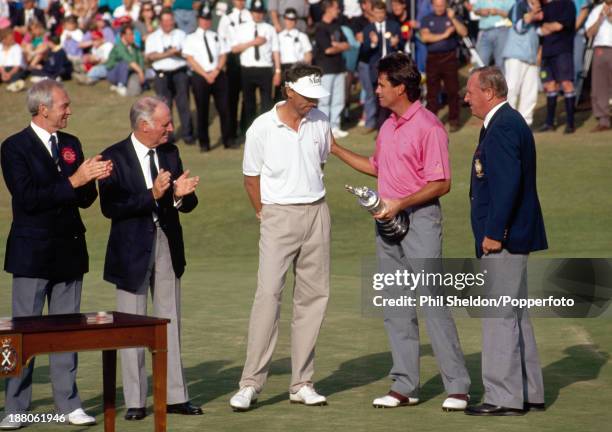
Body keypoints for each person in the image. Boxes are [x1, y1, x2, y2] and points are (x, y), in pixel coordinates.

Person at [330, 52, 470, 411]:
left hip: (420, 221)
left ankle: (458, 386)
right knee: (395, 306)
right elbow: (377, 167)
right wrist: (335, 149)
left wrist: (400, 203)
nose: (375, 89)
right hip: (387, 223)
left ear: (401, 88)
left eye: (381, 84)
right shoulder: (388, 126)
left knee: (432, 304)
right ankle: (405, 385)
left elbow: (441, 183)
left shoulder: (429, 127)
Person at [0, 80, 112, 430]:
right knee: (20, 336)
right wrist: (75, 181)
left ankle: (70, 403)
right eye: (64, 105)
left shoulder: (71, 143)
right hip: (32, 253)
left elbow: (82, 198)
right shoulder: (14, 147)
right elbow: (28, 198)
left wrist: (94, 178)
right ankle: (14, 406)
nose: (70, 110)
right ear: (43, 108)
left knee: (67, 333)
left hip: (68, 251)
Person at [229, 63, 332, 412]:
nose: (312, 102)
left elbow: (320, 162)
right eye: (307, 96)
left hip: (317, 213)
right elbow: (250, 178)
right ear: (289, 90)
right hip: (277, 215)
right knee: (268, 296)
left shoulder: (320, 120)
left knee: (313, 298)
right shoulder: (262, 127)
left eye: (316, 96)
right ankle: (250, 383)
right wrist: (265, 214)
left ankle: (302, 382)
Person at [98, 96, 201, 421]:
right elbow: (110, 208)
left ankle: (175, 396)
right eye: (165, 123)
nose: (171, 128)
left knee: (170, 321)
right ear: (144, 125)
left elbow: (187, 202)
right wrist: (152, 195)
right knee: (131, 327)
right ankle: (136, 401)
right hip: (130, 252)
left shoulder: (170, 152)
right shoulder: (114, 157)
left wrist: (183, 196)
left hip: (168, 245)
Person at [463, 66, 547, 416]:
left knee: (499, 316)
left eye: (470, 92)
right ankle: (529, 392)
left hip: (505, 238)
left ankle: (503, 397)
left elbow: (507, 185)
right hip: (516, 235)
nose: (465, 98)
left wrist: (495, 233)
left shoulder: (502, 127)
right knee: (515, 314)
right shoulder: (507, 122)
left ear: (489, 92)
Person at [183, 2, 236, 151]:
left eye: (208, 19)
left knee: (225, 109)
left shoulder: (216, 36)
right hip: (200, 76)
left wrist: (216, 70)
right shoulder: (191, 38)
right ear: (199, 19)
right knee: (202, 111)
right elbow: (190, 59)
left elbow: (223, 54)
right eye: (203, 19)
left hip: (217, 75)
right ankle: (204, 143)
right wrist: (205, 75)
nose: (206, 22)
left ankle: (228, 140)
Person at [145, 8, 194, 144]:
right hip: (161, 74)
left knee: (183, 104)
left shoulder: (181, 34)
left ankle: (188, 135)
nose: (168, 23)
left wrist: (175, 53)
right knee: (164, 108)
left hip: (180, 72)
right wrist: (169, 53)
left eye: (170, 20)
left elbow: (186, 53)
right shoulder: (153, 37)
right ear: (160, 22)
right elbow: (150, 56)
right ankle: (168, 137)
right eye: (165, 20)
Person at [232, 0, 281, 130]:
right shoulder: (242, 28)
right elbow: (234, 49)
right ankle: (248, 130)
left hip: (265, 69)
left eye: (260, 12)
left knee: (266, 103)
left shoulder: (269, 29)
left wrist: (277, 71)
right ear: (251, 12)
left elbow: (276, 51)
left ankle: (266, 131)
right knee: (248, 103)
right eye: (255, 12)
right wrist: (254, 42)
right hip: (247, 69)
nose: (258, 15)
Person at [420, 0, 468, 132]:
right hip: (433, 58)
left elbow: (463, 32)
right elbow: (425, 37)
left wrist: (453, 18)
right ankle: (430, 122)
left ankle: (454, 120)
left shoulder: (453, 17)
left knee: (453, 91)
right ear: (432, 5)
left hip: (450, 57)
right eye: (437, 5)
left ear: (446, 5)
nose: (439, 8)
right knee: (432, 93)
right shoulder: (426, 19)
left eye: (442, 5)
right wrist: (445, 34)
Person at [360, 0, 403, 129]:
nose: (379, 15)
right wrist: (373, 43)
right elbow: (364, 51)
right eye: (377, 12)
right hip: (376, 68)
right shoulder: (368, 29)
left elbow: (402, 45)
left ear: (385, 13)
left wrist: (396, 43)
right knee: (378, 97)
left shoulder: (394, 26)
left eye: (381, 12)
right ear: (373, 12)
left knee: (394, 96)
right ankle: (381, 127)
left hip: (392, 67)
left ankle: (394, 124)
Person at [537, 0, 576, 134]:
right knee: (549, 86)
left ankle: (570, 124)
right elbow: (540, 30)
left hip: (562, 51)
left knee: (566, 84)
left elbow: (559, 26)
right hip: (547, 52)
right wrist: (547, 27)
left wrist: (547, 26)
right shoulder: (543, 6)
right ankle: (549, 122)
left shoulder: (567, 4)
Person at [501, 0, 542, 126]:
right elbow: (519, 27)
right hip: (515, 55)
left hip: (532, 57)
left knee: (530, 92)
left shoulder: (542, 7)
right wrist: (534, 14)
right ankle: (506, 122)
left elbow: (540, 32)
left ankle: (525, 125)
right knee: (512, 90)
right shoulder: (519, 5)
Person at [314, 0, 350, 138]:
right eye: (336, 8)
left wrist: (338, 45)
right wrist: (339, 46)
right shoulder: (320, 28)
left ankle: (335, 126)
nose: (338, 10)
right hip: (326, 70)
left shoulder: (337, 26)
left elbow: (348, 44)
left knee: (338, 100)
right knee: (324, 101)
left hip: (339, 68)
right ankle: (324, 128)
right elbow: (328, 50)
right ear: (328, 9)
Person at [218, 0, 252, 142]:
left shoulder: (250, 15)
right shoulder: (226, 17)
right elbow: (220, 37)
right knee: (232, 97)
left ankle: (245, 130)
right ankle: (231, 132)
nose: (241, 2)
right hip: (232, 58)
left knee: (247, 97)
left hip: (248, 56)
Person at [585, 0, 612, 132]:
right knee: (600, 86)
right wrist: (600, 19)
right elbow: (589, 33)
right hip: (600, 49)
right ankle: (604, 120)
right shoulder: (596, 10)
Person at [275, 8, 313, 100]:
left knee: (298, 97)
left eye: (292, 19)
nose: (290, 22)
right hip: (284, 69)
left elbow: (308, 55)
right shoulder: (278, 37)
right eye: (288, 19)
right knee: (282, 97)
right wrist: (278, 71)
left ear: (296, 21)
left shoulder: (302, 36)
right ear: (284, 20)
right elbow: (276, 54)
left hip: (298, 69)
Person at [105, 23, 146, 96]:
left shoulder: (135, 47)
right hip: (114, 73)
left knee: (135, 89)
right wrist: (140, 71)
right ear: (123, 35)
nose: (133, 37)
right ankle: (120, 85)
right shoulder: (118, 46)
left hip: (130, 72)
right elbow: (128, 59)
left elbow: (141, 60)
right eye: (130, 34)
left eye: (133, 34)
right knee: (124, 63)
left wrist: (141, 70)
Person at [473, 0, 513, 69]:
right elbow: (475, 10)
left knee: (500, 63)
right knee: (480, 63)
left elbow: (514, 14)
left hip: (502, 31)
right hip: (484, 32)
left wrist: (498, 12)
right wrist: (480, 12)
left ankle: (500, 79)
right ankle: (480, 79)